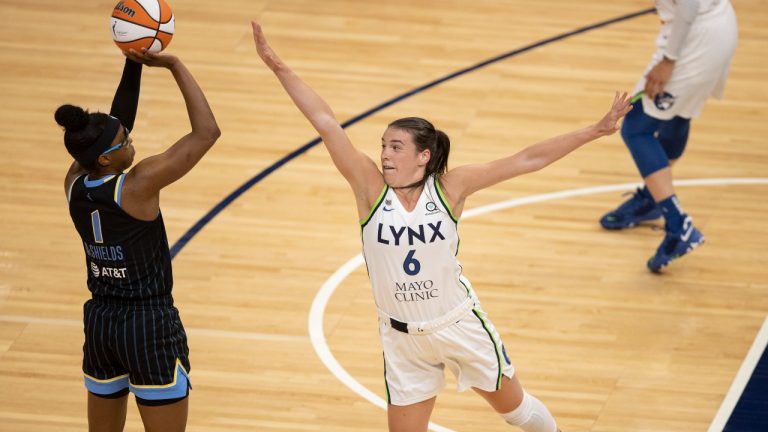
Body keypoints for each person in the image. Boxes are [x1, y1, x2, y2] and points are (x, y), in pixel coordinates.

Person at [251, 21, 631, 432]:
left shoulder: (451, 188)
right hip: (402, 339)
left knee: (518, 413)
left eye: (395, 146)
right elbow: (326, 122)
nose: (384, 155)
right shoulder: (368, 188)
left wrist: (594, 130)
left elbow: (527, 160)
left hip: (458, 324)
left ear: (423, 156)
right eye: (382, 145)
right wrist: (278, 66)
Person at [57, 48, 220, 432]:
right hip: (148, 322)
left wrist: (132, 63)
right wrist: (175, 65)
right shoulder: (138, 184)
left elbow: (114, 123)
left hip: (100, 322)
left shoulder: (73, 184)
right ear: (104, 160)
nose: (131, 141)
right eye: (124, 142)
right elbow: (207, 132)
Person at [599, 0, 738, 272]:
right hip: (715, 26)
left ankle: (678, 225)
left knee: (636, 127)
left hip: (695, 38)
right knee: (677, 112)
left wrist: (669, 59)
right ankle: (653, 197)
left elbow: (687, 4)